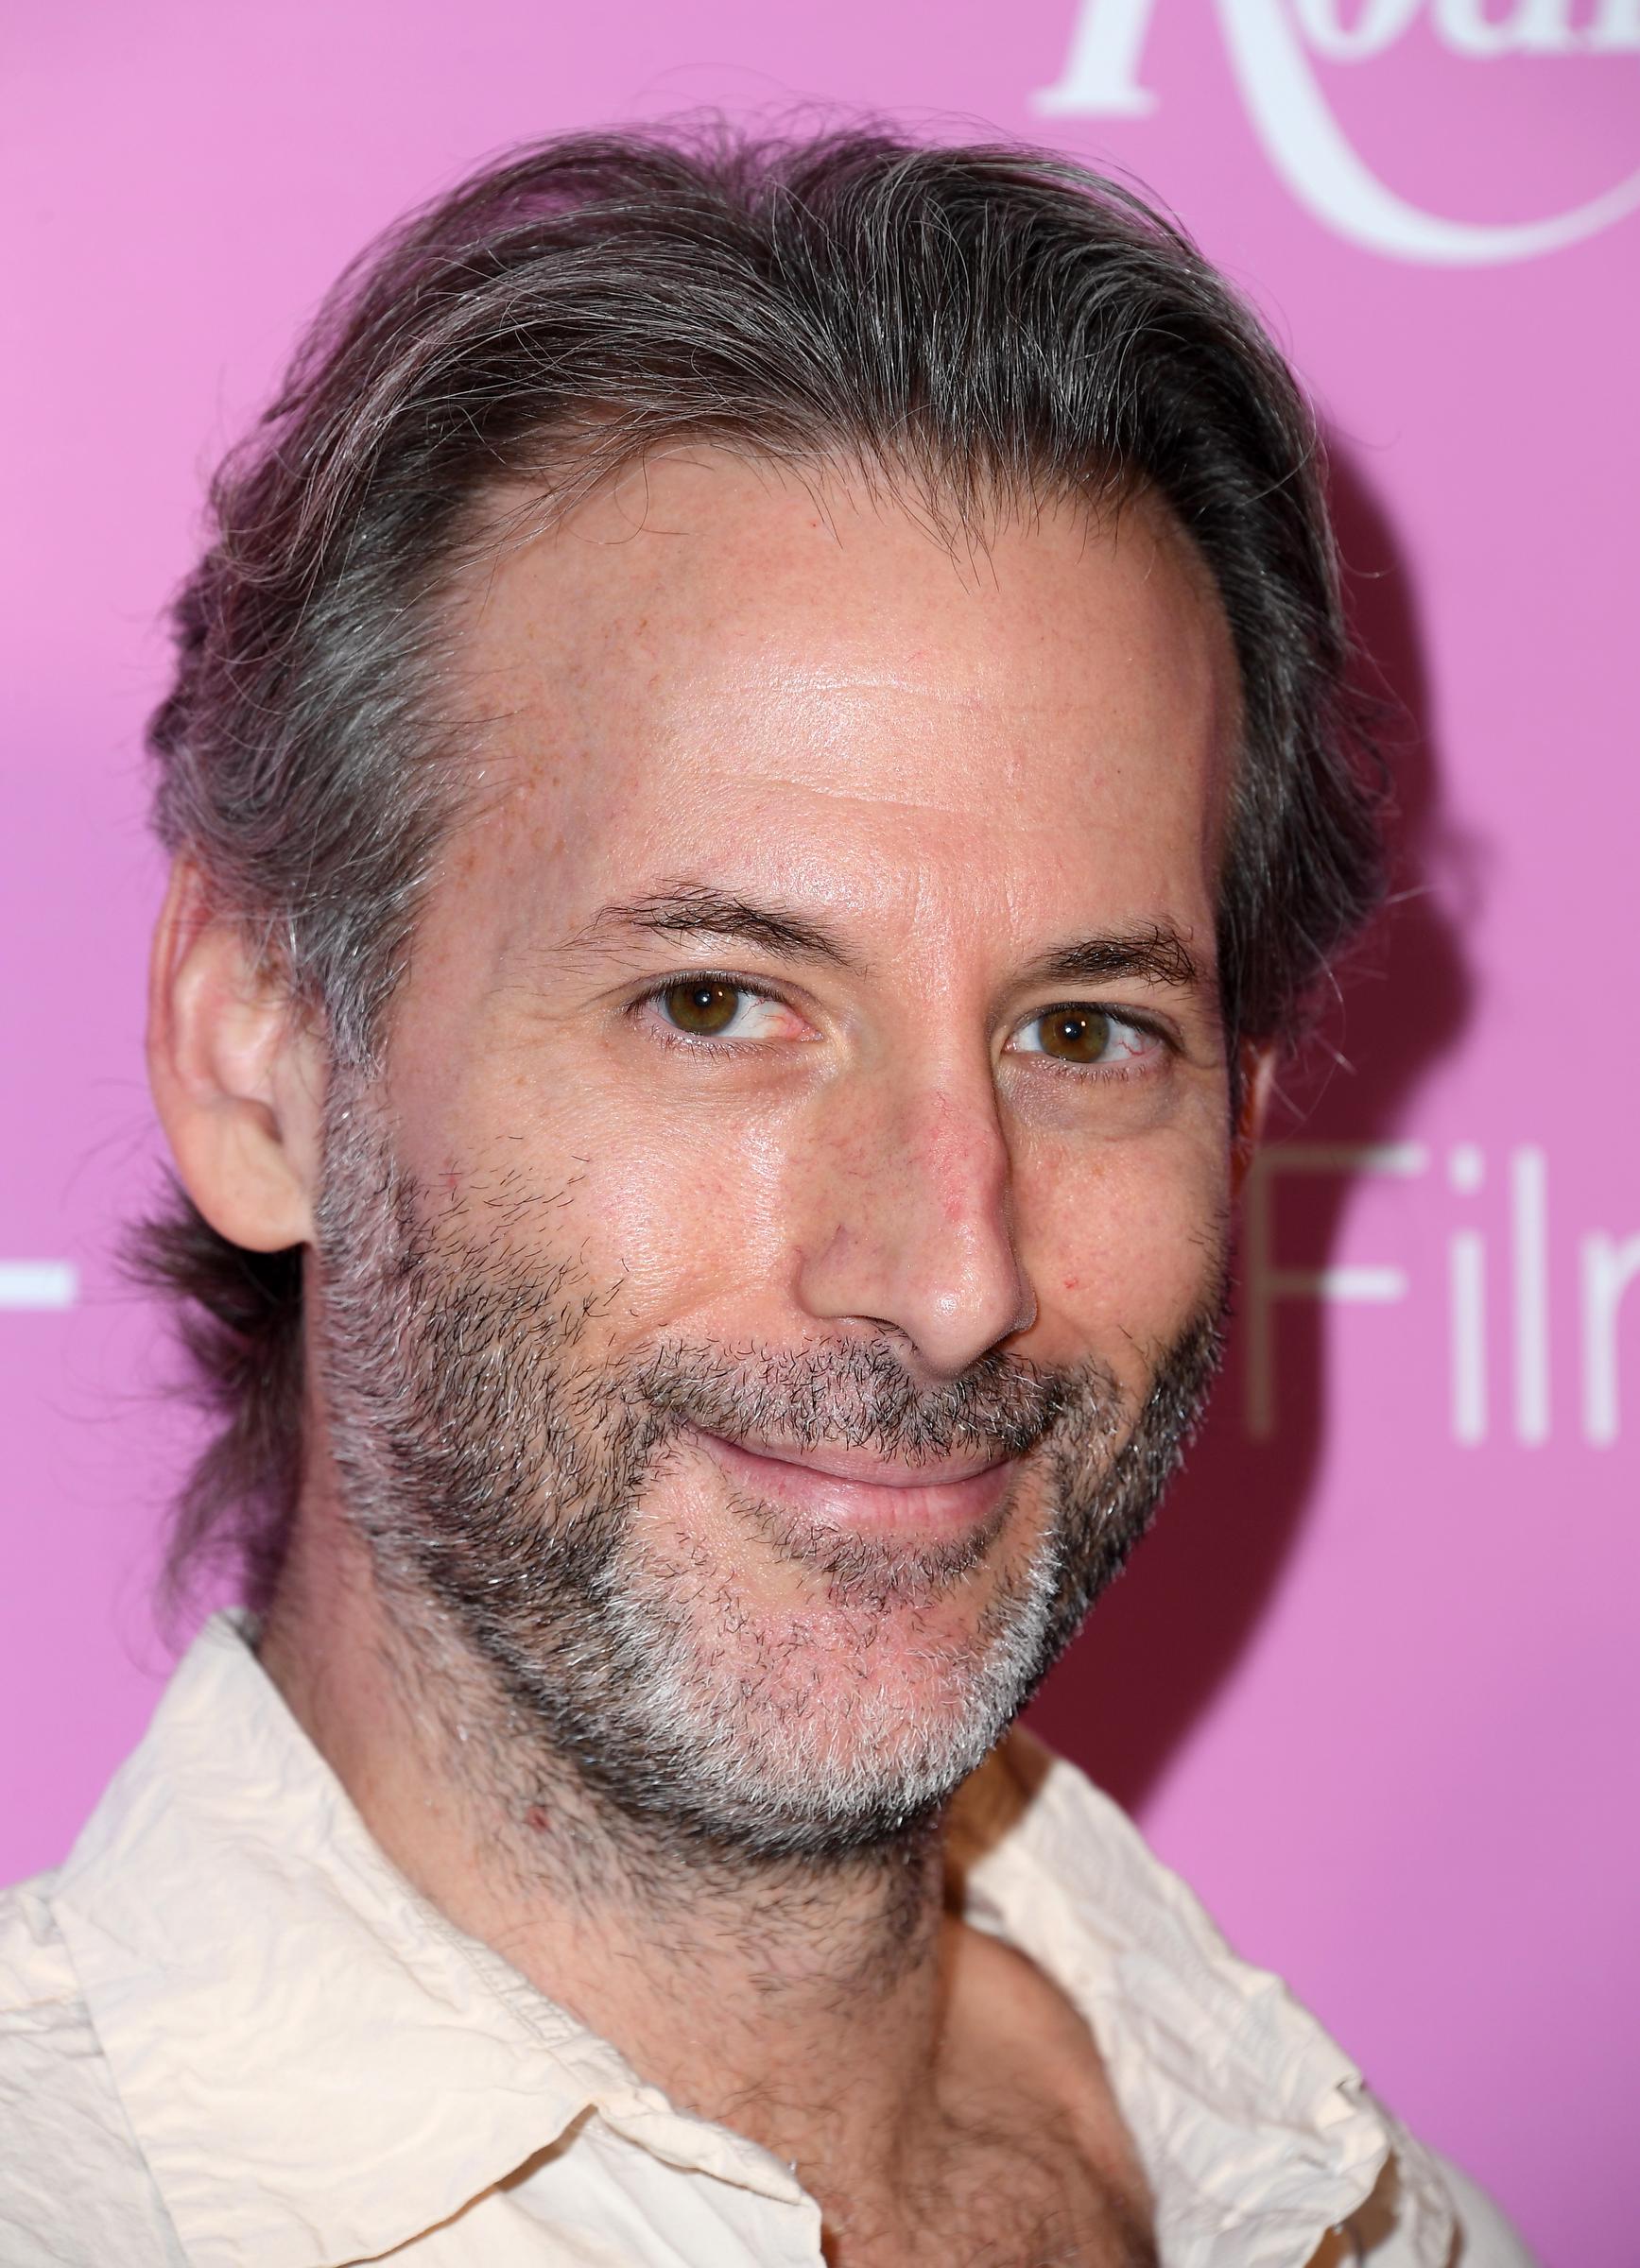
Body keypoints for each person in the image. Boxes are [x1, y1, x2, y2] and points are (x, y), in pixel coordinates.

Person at [0, 125, 1533, 2267]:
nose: (951, 1275)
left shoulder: (1368, 2214)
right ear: (261, 1047)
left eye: (1083, 1034)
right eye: (718, 1002)